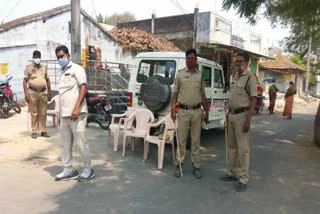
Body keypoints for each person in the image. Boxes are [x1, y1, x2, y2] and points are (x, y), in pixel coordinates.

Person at [54, 45, 95, 182]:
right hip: (65, 115)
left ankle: (88, 169)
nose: (60, 59)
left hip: (76, 113)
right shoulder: (62, 72)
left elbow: (83, 86)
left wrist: (77, 107)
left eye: (62, 56)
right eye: (58, 57)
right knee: (65, 145)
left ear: (68, 56)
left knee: (81, 143)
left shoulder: (77, 69)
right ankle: (68, 169)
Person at [221, 51, 257, 192]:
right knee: (231, 146)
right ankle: (232, 173)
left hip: (242, 116)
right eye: (236, 61)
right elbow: (235, 96)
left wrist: (248, 120)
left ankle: (243, 178)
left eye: (240, 61)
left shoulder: (250, 78)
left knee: (243, 149)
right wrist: (228, 107)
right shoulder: (236, 76)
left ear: (247, 62)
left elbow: (253, 99)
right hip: (232, 115)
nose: (237, 64)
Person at [171, 48, 208, 179]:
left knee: (196, 141)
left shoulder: (200, 75)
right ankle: (178, 164)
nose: (190, 60)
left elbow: (203, 94)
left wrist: (206, 111)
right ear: (185, 60)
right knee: (181, 140)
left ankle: (196, 166)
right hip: (182, 111)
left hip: (197, 112)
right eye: (188, 58)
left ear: (196, 60)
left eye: (192, 58)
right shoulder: (180, 74)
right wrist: (172, 110)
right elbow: (174, 93)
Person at [23, 50, 51, 139]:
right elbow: (25, 81)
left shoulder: (44, 67)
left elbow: (47, 80)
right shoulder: (29, 68)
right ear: (33, 58)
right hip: (32, 92)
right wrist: (26, 93)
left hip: (43, 92)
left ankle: (43, 130)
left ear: (40, 57)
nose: (37, 58)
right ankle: (34, 131)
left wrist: (49, 92)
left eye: (38, 57)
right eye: (35, 57)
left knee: (43, 112)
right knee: (34, 113)